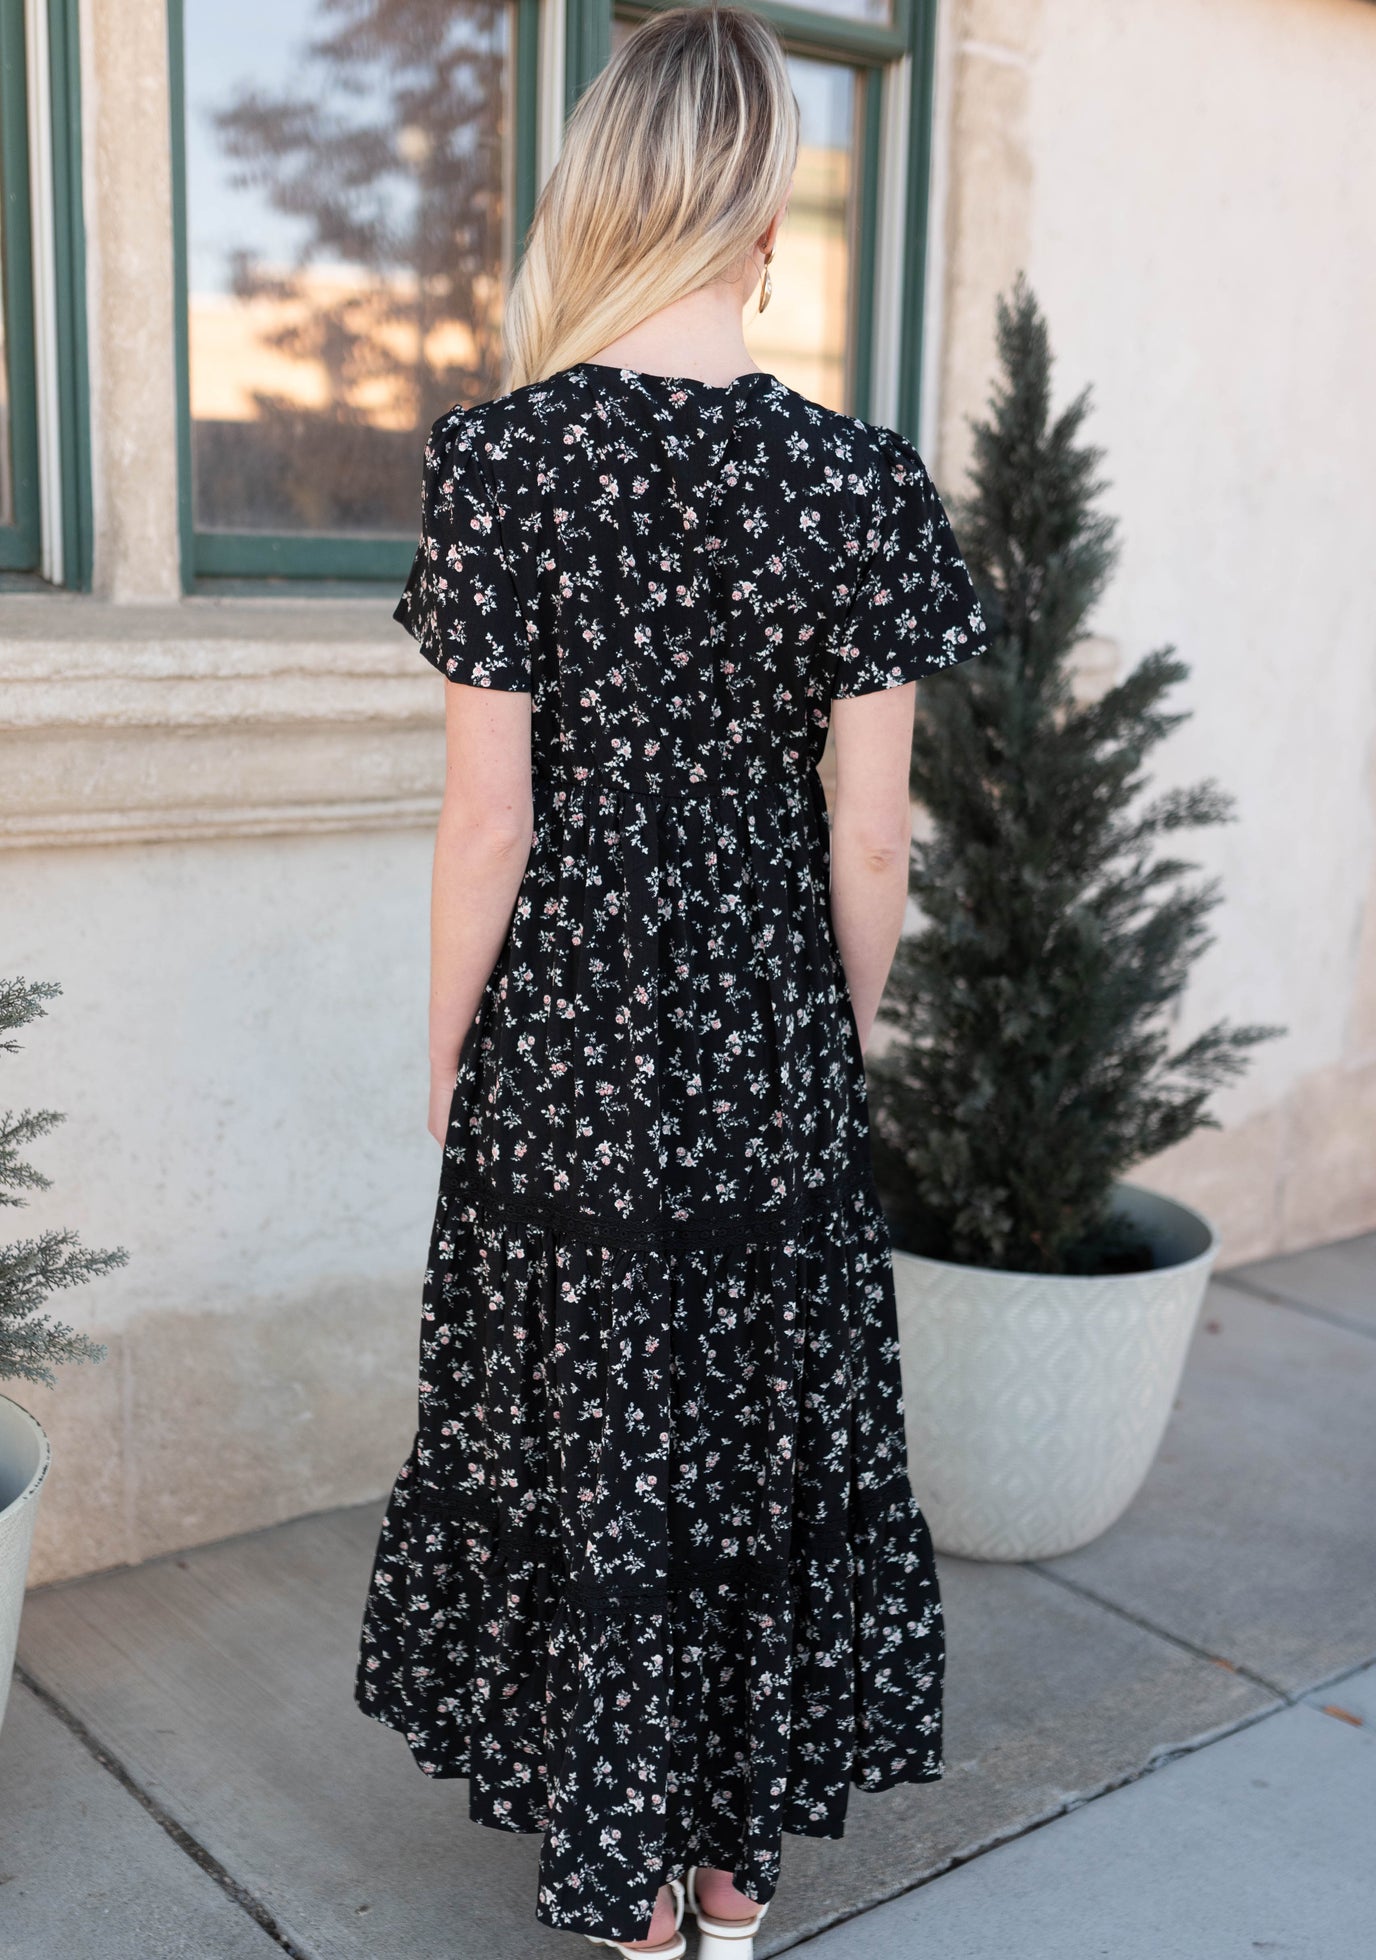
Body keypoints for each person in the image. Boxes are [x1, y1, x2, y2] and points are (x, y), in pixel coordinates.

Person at [354, 7, 986, 1954]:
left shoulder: (507, 463)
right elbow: (873, 835)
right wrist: (843, 1027)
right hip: (771, 1027)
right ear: (765, 223)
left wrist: (449, 1043)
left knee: (599, 1437)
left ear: (609, 196)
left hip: (572, 1036)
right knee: (756, 1430)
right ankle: (729, 1881)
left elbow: (488, 822)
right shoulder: (858, 482)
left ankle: (627, 1886)